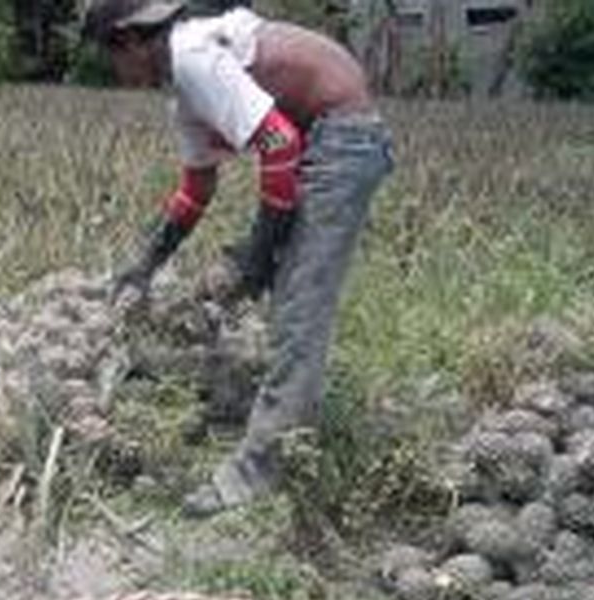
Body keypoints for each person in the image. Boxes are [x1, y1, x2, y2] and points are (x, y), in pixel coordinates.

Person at [83, 0, 393, 517]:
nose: (116, 75)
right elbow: (196, 188)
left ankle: (257, 474)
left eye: (112, 59)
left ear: (129, 40)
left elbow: (278, 141)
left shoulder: (192, 57)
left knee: (299, 308)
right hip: (324, 135)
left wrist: (259, 247)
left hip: (342, 135)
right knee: (278, 289)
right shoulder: (183, 92)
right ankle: (275, 416)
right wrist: (145, 263)